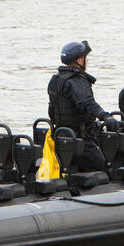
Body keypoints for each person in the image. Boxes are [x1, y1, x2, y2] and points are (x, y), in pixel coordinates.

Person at [46, 40, 110, 173]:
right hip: (80, 139)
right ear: (80, 59)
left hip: (62, 136)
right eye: (86, 58)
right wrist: (106, 117)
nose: (87, 61)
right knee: (103, 167)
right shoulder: (76, 80)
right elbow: (87, 103)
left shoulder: (56, 79)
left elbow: (51, 111)